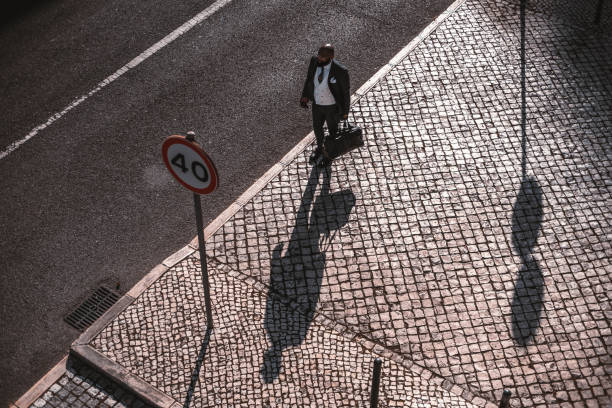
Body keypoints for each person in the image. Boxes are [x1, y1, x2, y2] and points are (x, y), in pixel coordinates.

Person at [300, 43, 350, 166]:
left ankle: (329, 155)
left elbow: (345, 93)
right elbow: (309, 79)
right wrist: (305, 96)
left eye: (322, 56)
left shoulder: (341, 71)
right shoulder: (314, 62)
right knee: (317, 128)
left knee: (333, 132)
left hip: (331, 107)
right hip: (317, 104)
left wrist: (345, 112)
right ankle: (320, 148)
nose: (319, 58)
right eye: (319, 55)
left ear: (331, 57)